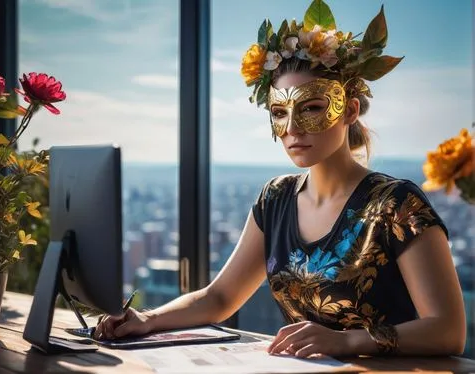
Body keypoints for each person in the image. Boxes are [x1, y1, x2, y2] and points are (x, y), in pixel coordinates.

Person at [95, 0, 466, 357]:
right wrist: (148, 319)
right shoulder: (275, 199)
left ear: (350, 110)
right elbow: (220, 297)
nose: (292, 128)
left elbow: (448, 331)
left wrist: (347, 341)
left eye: (313, 107)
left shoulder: (398, 205)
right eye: (279, 111)